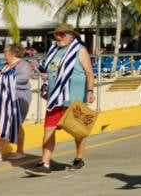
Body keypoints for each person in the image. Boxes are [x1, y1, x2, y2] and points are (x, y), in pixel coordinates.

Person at [25, 24, 96, 176]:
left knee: (78, 132)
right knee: (48, 130)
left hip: (73, 98)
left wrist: (90, 91)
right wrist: (46, 81)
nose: (59, 37)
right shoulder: (53, 51)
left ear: (71, 35)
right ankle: (45, 163)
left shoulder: (80, 50)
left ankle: (79, 158)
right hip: (55, 98)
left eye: (62, 34)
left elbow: (90, 73)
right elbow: (50, 71)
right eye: (56, 34)